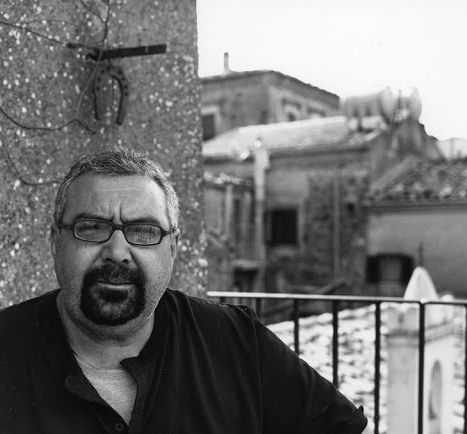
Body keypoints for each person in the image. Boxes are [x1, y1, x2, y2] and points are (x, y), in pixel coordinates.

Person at [0, 148, 371, 433]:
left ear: (173, 248)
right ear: (55, 242)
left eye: (144, 231)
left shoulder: (236, 342)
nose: (117, 251)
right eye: (93, 227)